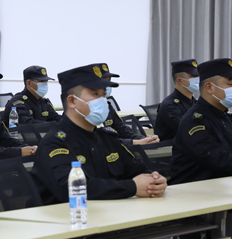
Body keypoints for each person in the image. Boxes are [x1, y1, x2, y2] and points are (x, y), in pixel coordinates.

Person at [34, 64, 167, 204]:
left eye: (103, 95)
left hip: (108, 213)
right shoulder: (55, 143)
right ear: (72, 101)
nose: (102, 101)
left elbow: (136, 169)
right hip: (69, 215)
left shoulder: (107, 138)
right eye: (95, 94)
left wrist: (154, 180)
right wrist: (132, 187)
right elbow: (71, 189)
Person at [100, 64, 159, 146]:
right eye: (104, 81)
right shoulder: (88, 111)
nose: (107, 86)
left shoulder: (107, 106)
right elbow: (103, 141)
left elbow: (123, 131)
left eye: (109, 81)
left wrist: (144, 139)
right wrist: (136, 142)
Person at [154, 59, 199, 141]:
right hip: (172, 146)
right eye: (193, 76)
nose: (197, 80)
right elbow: (188, 131)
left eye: (198, 76)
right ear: (179, 81)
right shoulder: (170, 105)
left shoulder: (195, 102)